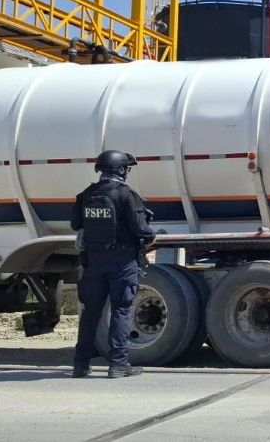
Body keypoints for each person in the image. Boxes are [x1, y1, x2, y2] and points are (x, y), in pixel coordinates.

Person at [71, 150, 155, 378]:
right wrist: (150, 234)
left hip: (93, 261)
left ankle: (80, 365)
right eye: (126, 168)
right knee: (121, 310)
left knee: (90, 312)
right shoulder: (125, 194)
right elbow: (141, 229)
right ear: (119, 169)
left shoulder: (86, 195)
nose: (127, 172)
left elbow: (75, 223)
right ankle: (118, 364)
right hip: (122, 261)